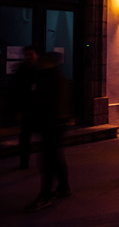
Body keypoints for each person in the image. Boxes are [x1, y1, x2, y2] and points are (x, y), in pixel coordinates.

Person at [24, 52, 71, 212]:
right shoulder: (54, 76)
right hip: (55, 122)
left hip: (53, 123)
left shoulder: (51, 77)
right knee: (54, 157)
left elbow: (49, 102)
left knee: (48, 160)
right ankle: (63, 187)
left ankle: (45, 195)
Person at [13, 46, 39, 170]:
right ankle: (24, 162)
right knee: (24, 136)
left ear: (36, 55)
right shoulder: (22, 69)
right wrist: (18, 110)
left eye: (31, 54)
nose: (28, 56)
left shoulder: (41, 69)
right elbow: (16, 90)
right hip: (27, 108)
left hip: (40, 108)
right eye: (26, 54)